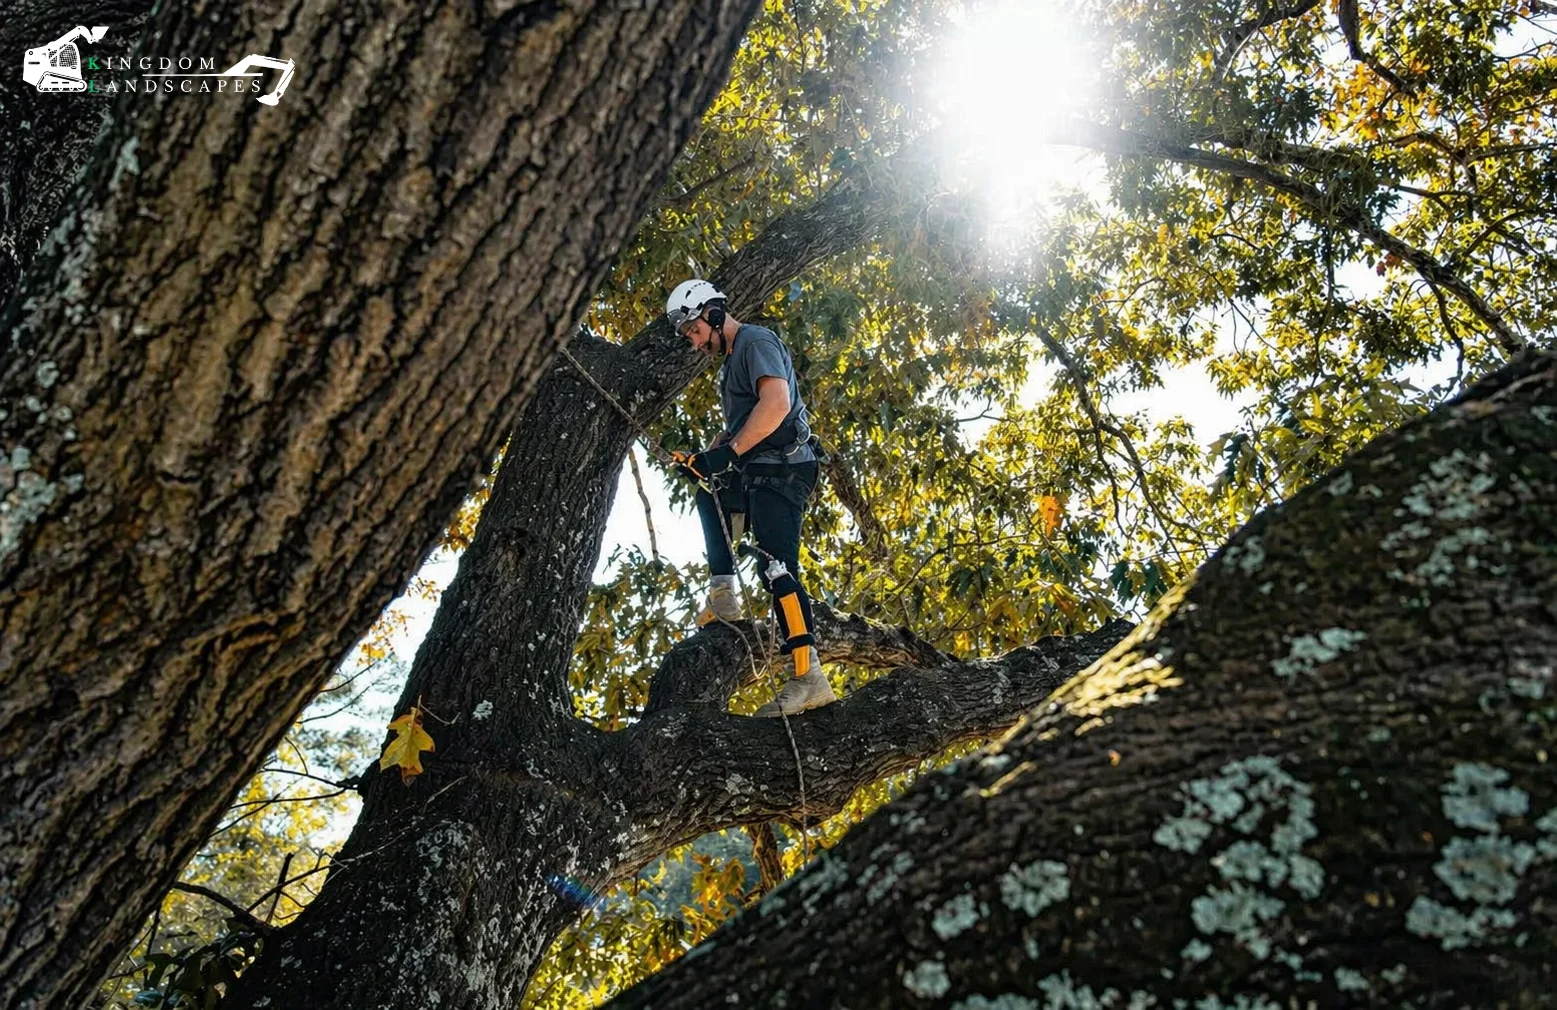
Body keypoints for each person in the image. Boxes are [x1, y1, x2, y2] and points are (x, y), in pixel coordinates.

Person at [664, 278, 837, 717]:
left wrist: (729, 452)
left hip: (785, 467)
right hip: (757, 467)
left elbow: (775, 405)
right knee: (712, 490)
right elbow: (739, 431)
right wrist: (706, 458)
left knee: (776, 566)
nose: (696, 343)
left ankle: (809, 675)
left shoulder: (755, 341)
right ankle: (723, 597)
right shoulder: (730, 364)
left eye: (696, 331)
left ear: (714, 314)